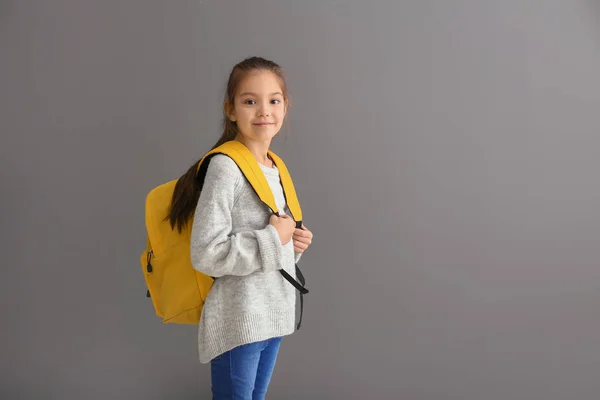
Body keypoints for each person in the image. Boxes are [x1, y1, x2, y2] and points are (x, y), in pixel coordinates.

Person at [167, 56, 313, 399]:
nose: (264, 111)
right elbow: (206, 253)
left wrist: (293, 246)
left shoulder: (276, 168)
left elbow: (271, 254)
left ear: (285, 107)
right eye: (250, 101)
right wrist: (272, 238)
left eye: (274, 100)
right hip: (239, 320)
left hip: (274, 314)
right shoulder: (226, 167)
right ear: (230, 109)